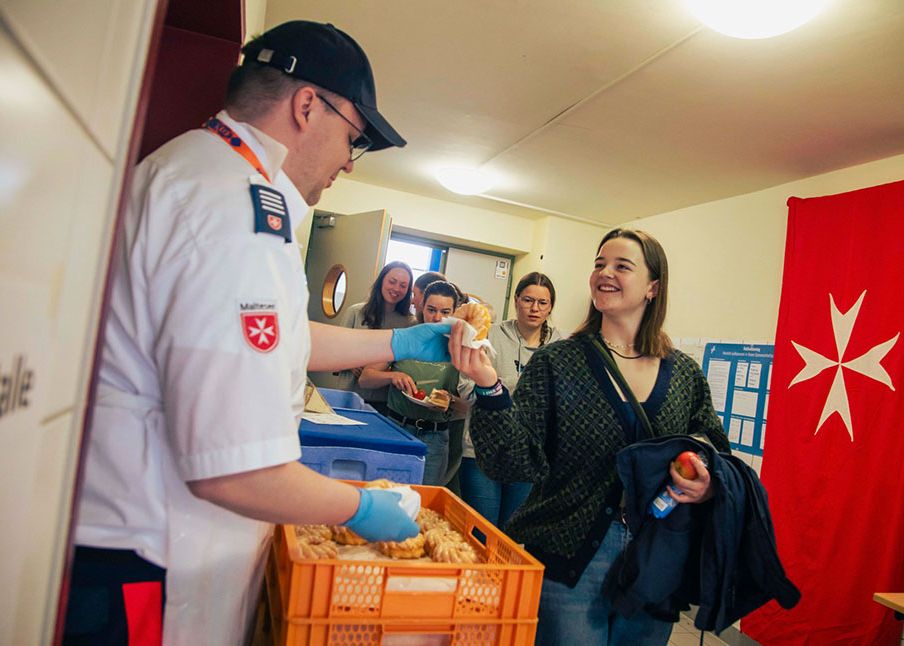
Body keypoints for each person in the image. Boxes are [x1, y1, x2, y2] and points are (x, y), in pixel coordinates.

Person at [65, 21, 453, 644]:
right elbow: (231, 470)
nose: (345, 167)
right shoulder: (235, 211)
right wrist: (358, 508)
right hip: (149, 562)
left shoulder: (197, 173)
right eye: (352, 141)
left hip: (134, 547)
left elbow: (273, 337)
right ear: (307, 106)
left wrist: (400, 342)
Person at [450, 228, 730, 645]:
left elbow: (710, 445)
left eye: (621, 265)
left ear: (653, 287)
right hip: (571, 557)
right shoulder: (556, 363)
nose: (605, 272)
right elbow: (513, 461)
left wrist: (705, 479)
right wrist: (490, 389)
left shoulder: (684, 373)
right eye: (599, 263)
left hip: (656, 557)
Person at [458, 272, 562, 528]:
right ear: (516, 301)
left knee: (511, 535)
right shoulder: (490, 334)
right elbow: (465, 385)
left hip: (529, 453)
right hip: (482, 450)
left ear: (550, 307)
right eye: (528, 300)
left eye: (542, 303)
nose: (534, 308)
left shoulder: (560, 345)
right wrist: (499, 396)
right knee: (481, 532)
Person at [359, 280, 466, 485]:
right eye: (431, 310)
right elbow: (366, 378)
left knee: (423, 500)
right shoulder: (406, 336)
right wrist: (392, 376)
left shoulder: (460, 348)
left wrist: (450, 400)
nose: (437, 318)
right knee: (387, 493)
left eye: (445, 312)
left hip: (436, 436)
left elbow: (469, 406)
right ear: (420, 306)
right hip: (397, 428)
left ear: (455, 312)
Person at [339, 261, 416, 413]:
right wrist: (350, 363)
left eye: (403, 285)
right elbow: (333, 351)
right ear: (381, 281)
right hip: (348, 396)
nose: (396, 289)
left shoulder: (410, 323)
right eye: (392, 282)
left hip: (385, 403)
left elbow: (407, 364)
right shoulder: (355, 312)